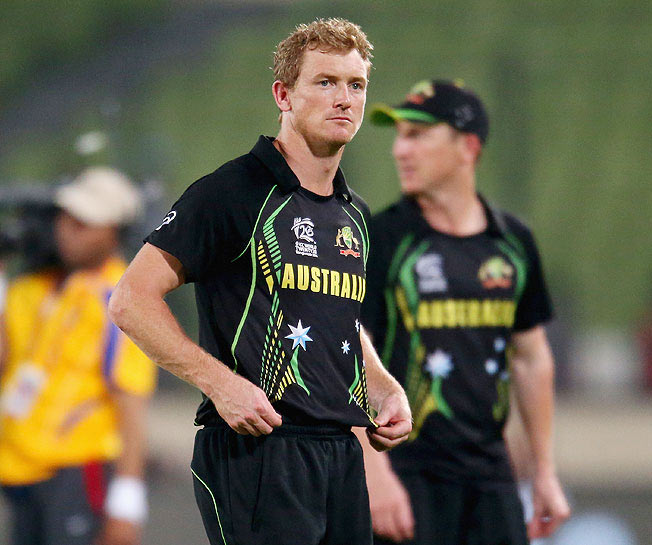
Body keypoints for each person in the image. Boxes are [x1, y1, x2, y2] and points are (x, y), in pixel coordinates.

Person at [108, 18, 412, 545]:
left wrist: (383, 385)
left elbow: (335, 319)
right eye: (324, 82)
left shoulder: (354, 215)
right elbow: (131, 300)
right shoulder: (232, 192)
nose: (343, 98)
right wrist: (219, 384)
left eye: (355, 85)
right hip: (259, 449)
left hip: (340, 450)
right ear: (283, 94)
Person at [358, 80, 570, 545]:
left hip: (492, 478)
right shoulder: (383, 239)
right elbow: (347, 352)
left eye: (417, 135)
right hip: (406, 473)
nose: (400, 150)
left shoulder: (513, 241)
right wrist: (374, 474)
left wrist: (544, 472)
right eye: (398, 135)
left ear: (467, 146)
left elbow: (531, 357)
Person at [0, 167, 157, 545]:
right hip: (21, 471)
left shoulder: (123, 298)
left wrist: (127, 500)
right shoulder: (31, 288)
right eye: (66, 217)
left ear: (114, 230)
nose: (68, 228)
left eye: (85, 222)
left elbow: (130, 401)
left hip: (78, 474)